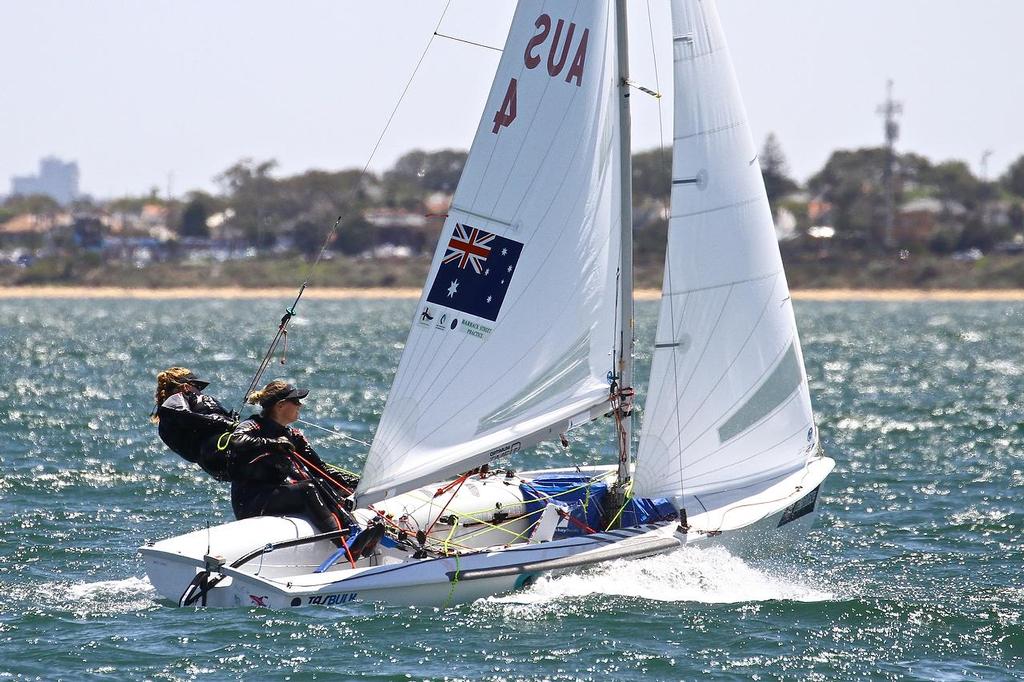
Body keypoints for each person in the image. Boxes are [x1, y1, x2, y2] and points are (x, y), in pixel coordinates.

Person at [227, 380, 355, 538]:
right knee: (308, 489)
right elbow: (236, 440)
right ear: (280, 405)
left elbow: (320, 469)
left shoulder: (291, 435)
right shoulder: (253, 425)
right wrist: (273, 444)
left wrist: (355, 483)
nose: (299, 405)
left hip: (277, 495)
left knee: (320, 483)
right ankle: (344, 540)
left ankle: (354, 529)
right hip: (251, 502)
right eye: (295, 401)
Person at [153, 367, 237, 481]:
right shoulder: (173, 402)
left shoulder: (167, 419)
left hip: (215, 465)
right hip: (216, 451)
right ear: (186, 387)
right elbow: (185, 416)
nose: (200, 392)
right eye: (198, 387)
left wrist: (228, 419)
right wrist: (226, 422)